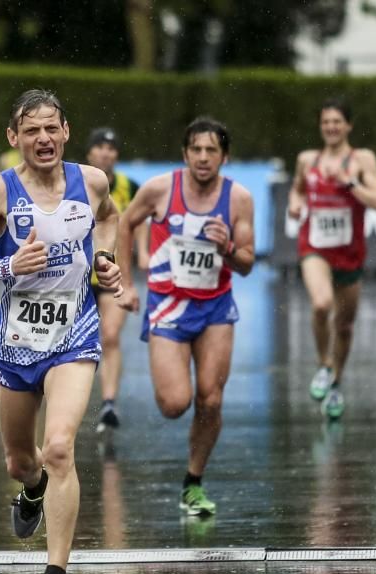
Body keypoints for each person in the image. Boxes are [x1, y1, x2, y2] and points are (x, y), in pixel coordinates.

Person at [0, 89, 123, 574]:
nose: (43, 139)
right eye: (31, 131)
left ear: (66, 131)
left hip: (74, 334)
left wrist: (105, 261)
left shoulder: (90, 182)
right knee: (22, 462)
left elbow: (112, 217)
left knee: (60, 448)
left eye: (51, 129)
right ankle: (30, 492)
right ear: (14, 138)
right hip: (17, 343)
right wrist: (8, 268)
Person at [117, 116, 254, 517]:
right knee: (176, 403)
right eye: (196, 149)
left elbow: (246, 262)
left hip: (214, 306)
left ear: (224, 157)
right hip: (168, 304)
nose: (203, 157)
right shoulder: (161, 189)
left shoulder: (239, 199)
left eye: (212, 150)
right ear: (185, 154)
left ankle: (193, 483)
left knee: (210, 399)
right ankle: (173, 385)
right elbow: (126, 224)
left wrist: (227, 246)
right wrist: (127, 284)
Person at [287, 98, 376, 419]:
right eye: (325, 122)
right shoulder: (307, 159)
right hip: (314, 245)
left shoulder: (362, 160)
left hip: (349, 251)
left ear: (348, 126)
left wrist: (351, 184)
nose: (331, 127)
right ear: (320, 126)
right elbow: (298, 189)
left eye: (337, 122)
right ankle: (323, 365)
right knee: (321, 304)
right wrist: (295, 203)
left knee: (344, 325)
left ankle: (336, 384)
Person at [83, 127, 147, 431]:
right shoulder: (75, 184)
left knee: (109, 336)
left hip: (113, 273)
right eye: (99, 147)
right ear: (89, 153)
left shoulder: (128, 187)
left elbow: (139, 221)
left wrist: (143, 255)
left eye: (111, 148)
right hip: (78, 277)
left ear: (116, 155)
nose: (105, 153)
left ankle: (109, 403)